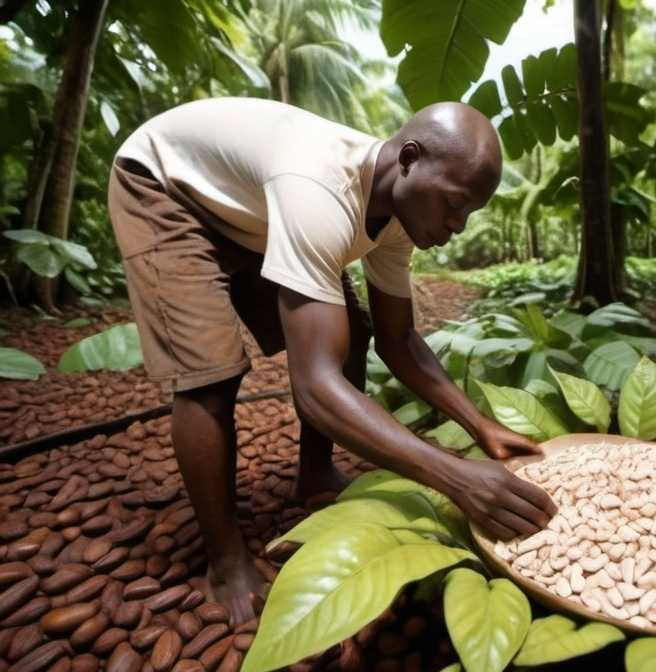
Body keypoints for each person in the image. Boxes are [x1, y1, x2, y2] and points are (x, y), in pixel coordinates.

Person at [107, 97, 557, 627]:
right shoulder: (319, 190)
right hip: (167, 188)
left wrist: (480, 425)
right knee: (211, 374)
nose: (457, 224)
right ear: (409, 158)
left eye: (468, 213)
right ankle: (225, 561)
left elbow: (399, 338)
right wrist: (454, 477)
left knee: (357, 332)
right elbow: (314, 386)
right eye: (454, 203)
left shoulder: (397, 213)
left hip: (250, 210)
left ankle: (315, 474)